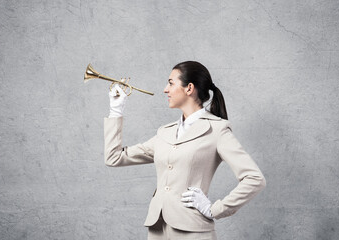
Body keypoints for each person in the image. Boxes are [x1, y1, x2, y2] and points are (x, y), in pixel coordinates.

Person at [103, 61, 266, 239]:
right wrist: (116, 110)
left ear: (189, 88)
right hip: (157, 230)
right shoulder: (165, 133)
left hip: (194, 231)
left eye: (171, 83)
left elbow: (254, 179)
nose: (165, 89)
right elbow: (114, 158)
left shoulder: (217, 130)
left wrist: (214, 209)